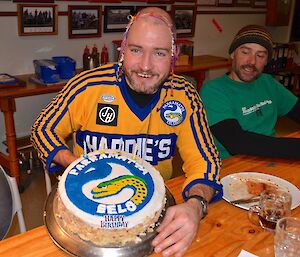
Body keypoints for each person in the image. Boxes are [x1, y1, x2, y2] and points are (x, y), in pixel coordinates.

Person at [31, 7, 222, 257]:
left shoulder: (183, 96)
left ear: (174, 55)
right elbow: (42, 128)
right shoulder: (87, 86)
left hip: (150, 220)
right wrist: (74, 163)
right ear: (122, 49)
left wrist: (196, 206)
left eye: (159, 53)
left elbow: (205, 160)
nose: (145, 65)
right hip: (86, 219)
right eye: (136, 50)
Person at [200, 24, 300, 160]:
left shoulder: (268, 82)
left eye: (260, 55)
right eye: (245, 52)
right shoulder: (213, 90)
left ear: (266, 61)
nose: (252, 61)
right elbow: (237, 142)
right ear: (233, 54)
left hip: (269, 160)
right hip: (232, 167)